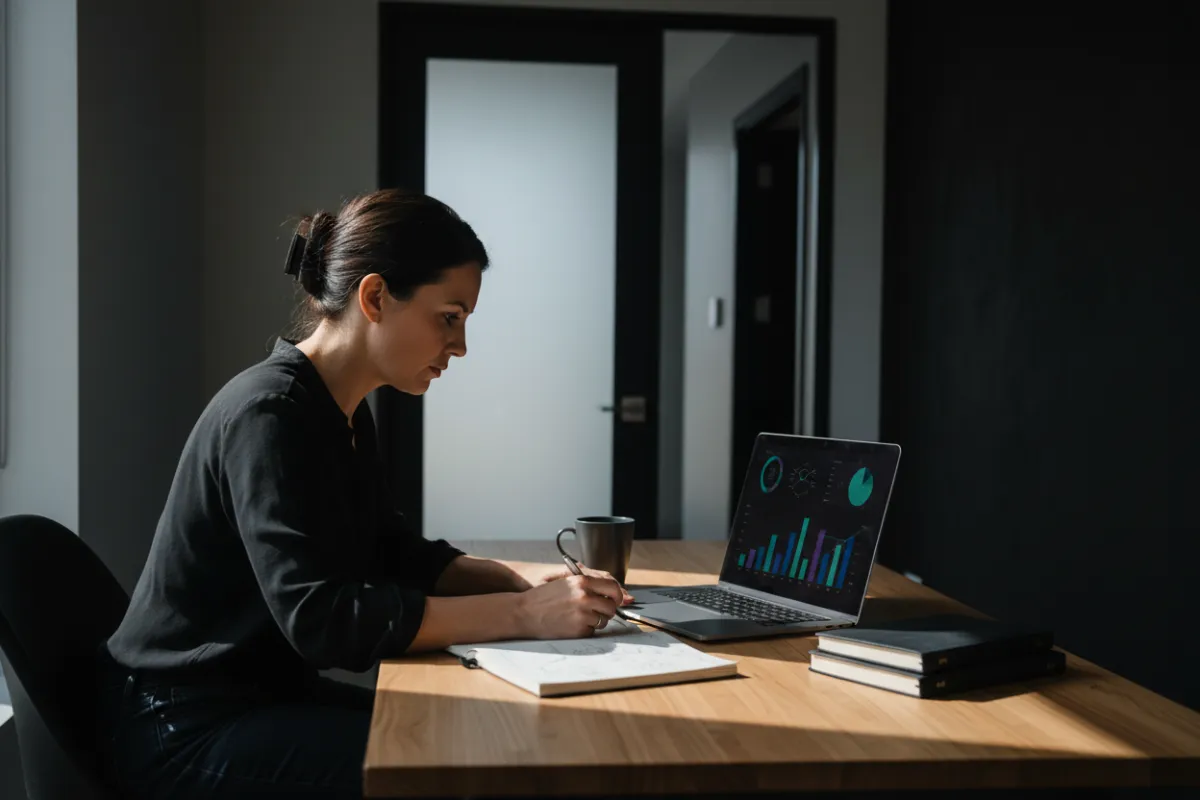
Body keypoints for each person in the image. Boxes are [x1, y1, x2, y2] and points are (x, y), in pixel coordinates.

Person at [94, 189, 632, 799]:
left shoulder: (338, 411)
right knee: (462, 765)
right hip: (182, 729)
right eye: (449, 317)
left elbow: (392, 552)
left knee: (482, 735)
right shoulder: (268, 414)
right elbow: (323, 621)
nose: (459, 347)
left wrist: (519, 579)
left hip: (258, 698)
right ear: (375, 297)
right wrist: (524, 618)